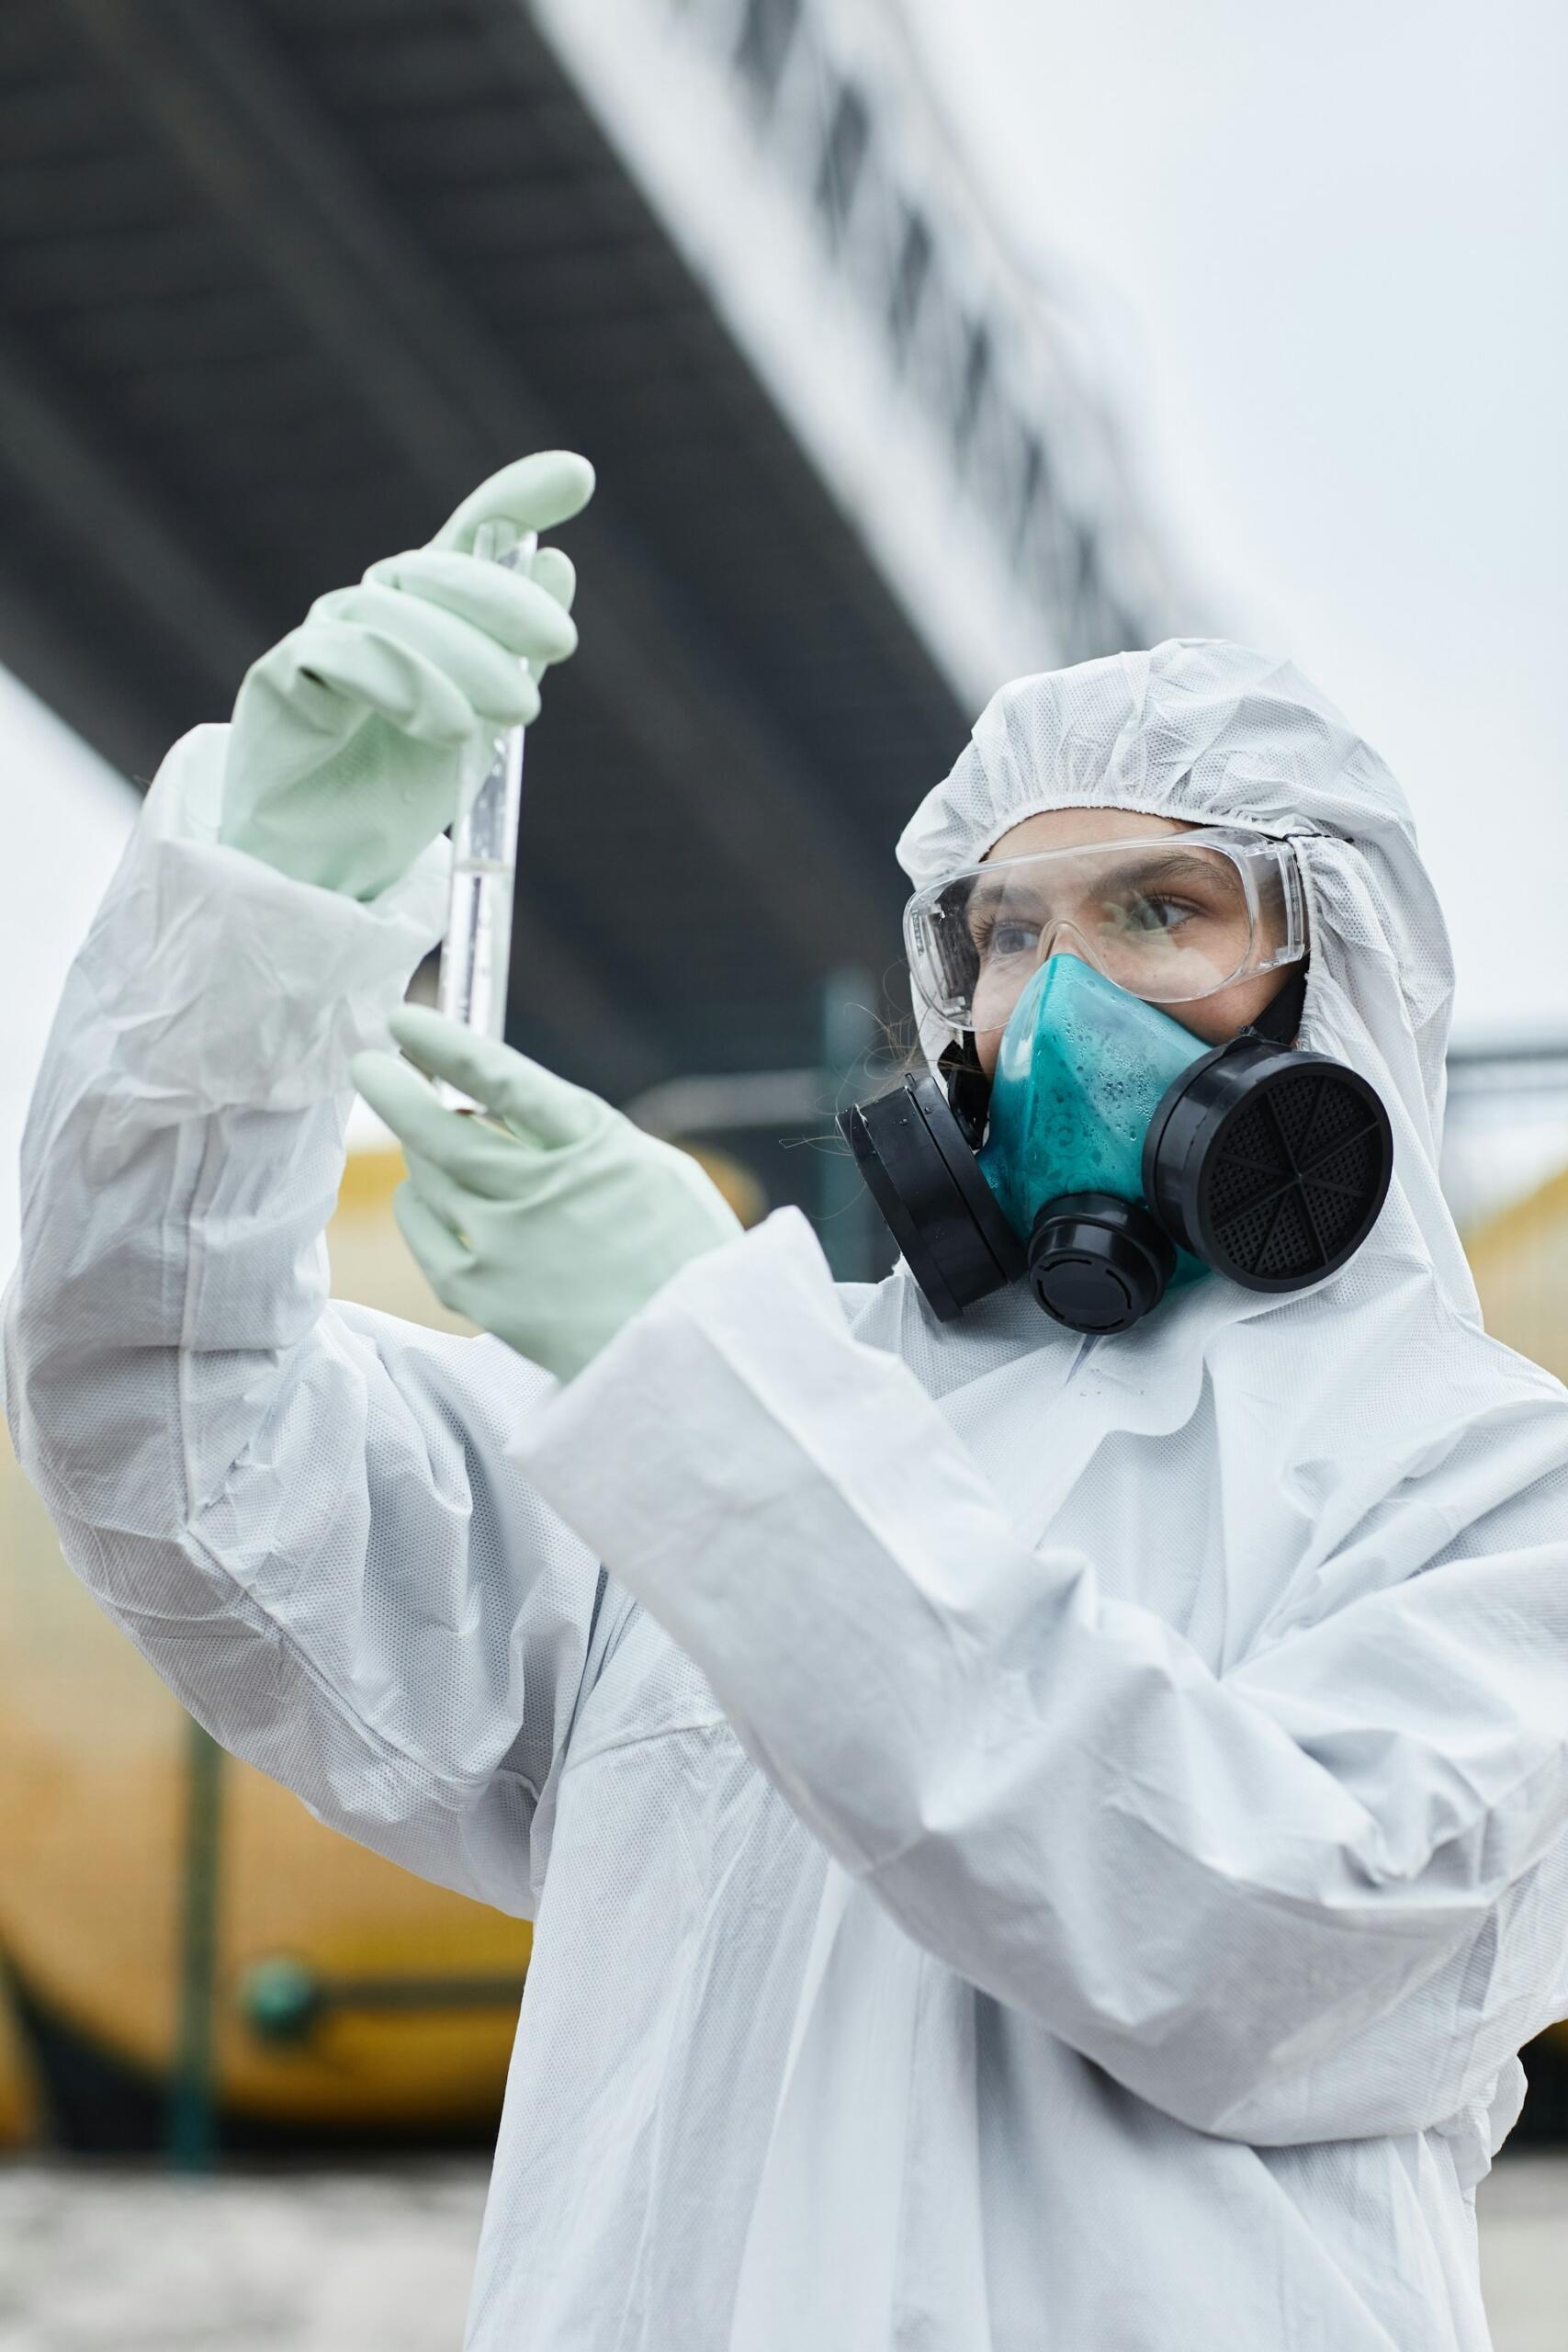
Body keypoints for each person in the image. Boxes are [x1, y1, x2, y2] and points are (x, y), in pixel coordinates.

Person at [6, 449, 1568, 2352]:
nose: (1050, 1004)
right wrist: (260, 911)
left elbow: (1252, 1943)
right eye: (1004, 932)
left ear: (1336, 988)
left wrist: (698, 1363)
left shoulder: (1481, 1483)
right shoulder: (742, 1400)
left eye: (1158, 911)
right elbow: (180, 1451)